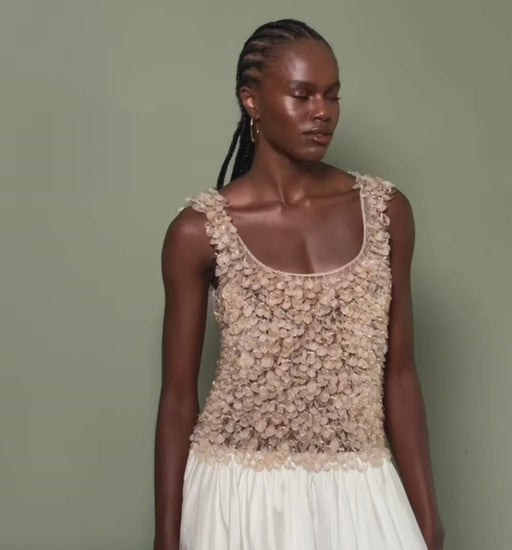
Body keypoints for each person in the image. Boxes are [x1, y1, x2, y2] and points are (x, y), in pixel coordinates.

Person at [154, 18, 444, 550]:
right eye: (302, 94)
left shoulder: (386, 212)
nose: (322, 112)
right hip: (237, 494)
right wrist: (166, 538)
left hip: (360, 489)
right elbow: (176, 399)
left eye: (332, 95)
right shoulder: (198, 232)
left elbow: (401, 375)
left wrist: (428, 522)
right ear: (252, 101)